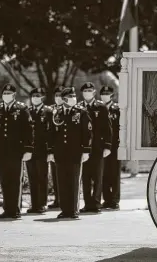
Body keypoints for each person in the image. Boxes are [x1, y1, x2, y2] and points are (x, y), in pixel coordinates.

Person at [0, 84, 33, 219]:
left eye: (9, 93)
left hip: (16, 150)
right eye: (4, 93)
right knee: (4, 180)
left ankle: (15, 210)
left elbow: (28, 130)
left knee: (15, 180)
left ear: (14, 95)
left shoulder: (22, 109)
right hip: (2, 151)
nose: (6, 95)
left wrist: (28, 149)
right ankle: (7, 209)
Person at [47, 87, 92, 219]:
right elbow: (51, 134)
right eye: (70, 97)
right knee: (62, 181)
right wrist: (51, 151)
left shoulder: (81, 112)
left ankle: (73, 210)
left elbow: (87, 132)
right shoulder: (57, 113)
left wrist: (86, 151)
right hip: (60, 153)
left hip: (75, 152)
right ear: (64, 99)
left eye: (74, 96)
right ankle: (64, 209)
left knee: (73, 181)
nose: (73, 99)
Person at [78, 82, 112, 213]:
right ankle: (87, 203)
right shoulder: (79, 107)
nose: (87, 92)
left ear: (94, 92)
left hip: (98, 147)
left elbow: (108, 128)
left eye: (90, 90)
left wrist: (108, 146)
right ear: (82, 93)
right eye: (85, 90)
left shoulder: (101, 107)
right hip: (83, 148)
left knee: (97, 177)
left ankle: (96, 203)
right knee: (85, 177)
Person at [26, 88, 53, 214]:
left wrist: (50, 151)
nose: (35, 98)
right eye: (33, 96)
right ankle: (34, 204)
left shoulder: (48, 111)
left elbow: (51, 132)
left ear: (42, 97)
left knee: (42, 177)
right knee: (32, 177)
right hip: (30, 150)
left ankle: (42, 204)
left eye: (38, 95)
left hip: (43, 150)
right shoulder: (27, 111)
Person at [100, 85, 121, 210]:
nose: (105, 95)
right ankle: (106, 199)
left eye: (107, 93)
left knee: (115, 173)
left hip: (115, 145)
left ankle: (115, 199)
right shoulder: (99, 108)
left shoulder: (116, 109)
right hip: (102, 146)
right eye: (103, 93)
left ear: (111, 95)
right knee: (104, 173)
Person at [48, 86, 65, 209]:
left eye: (61, 95)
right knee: (55, 175)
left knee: (67, 175)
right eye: (56, 95)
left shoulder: (70, 109)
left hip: (67, 147)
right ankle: (57, 199)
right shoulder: (50, 110)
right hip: (54, 148)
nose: (58, 98)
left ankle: (66, 200)